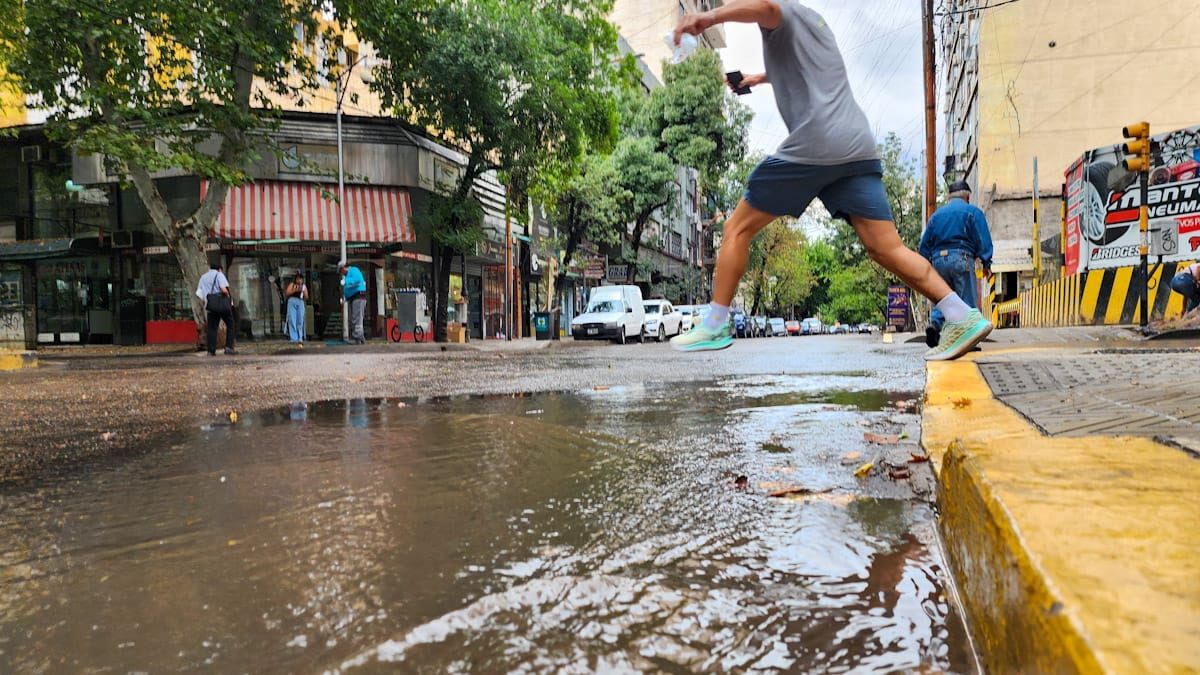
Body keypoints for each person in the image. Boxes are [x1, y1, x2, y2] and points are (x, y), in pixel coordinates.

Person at [668, 0, 992, 360]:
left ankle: (715, 324)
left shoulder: (780, 13)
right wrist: (760, 78)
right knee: (886, 248)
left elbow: (767, 7)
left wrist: (706, 17)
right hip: (857, 147)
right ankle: (961, 315)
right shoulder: (815, 22)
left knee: (736, 228)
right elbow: (806, 69)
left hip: (816, 142)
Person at [919, 181, 993, 347]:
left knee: (943, 295)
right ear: (967, 196)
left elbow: (924, 244)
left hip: (938, 260)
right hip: (962, 257)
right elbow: (983, 239)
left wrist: (925, 263)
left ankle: (935, 325)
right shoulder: (972, 212)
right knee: (967, 302)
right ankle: (969, 340)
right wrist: (986, 262)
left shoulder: (936, 216)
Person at [196, 263, 236, 356]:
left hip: (211, 306)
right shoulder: (219, 274)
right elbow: (223, 289)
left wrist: (208, 300)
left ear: (210, 268)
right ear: (220, 269)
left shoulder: (203, 277)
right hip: (222, 305)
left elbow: (199, 293)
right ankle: (229, 348)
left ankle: (211, 351)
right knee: (230, 325)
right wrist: (228, 297)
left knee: (212, 328)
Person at [340, 261, 368, 344]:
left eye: (341, 271)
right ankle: (360, 336)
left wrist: (347, 281)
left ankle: (358, 336)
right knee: (354, 318)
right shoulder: (347, 276)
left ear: (344, 268)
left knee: (357, 317)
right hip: (352, 298)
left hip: (358, 297)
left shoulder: (354, 270)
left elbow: (358, 280)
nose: (341, 273)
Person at [285, 271, 308, 346]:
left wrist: (303, 292)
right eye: (298, 279)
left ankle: (300, 337)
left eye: (301, 279)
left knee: (300, 319)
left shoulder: (304, 286)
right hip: (292, 301)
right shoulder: (292, 285)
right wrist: (294, 290)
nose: (299, 281)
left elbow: (306, 297)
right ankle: (293, 338)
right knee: (292, 319)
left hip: (300, 302)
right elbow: (287, 293)